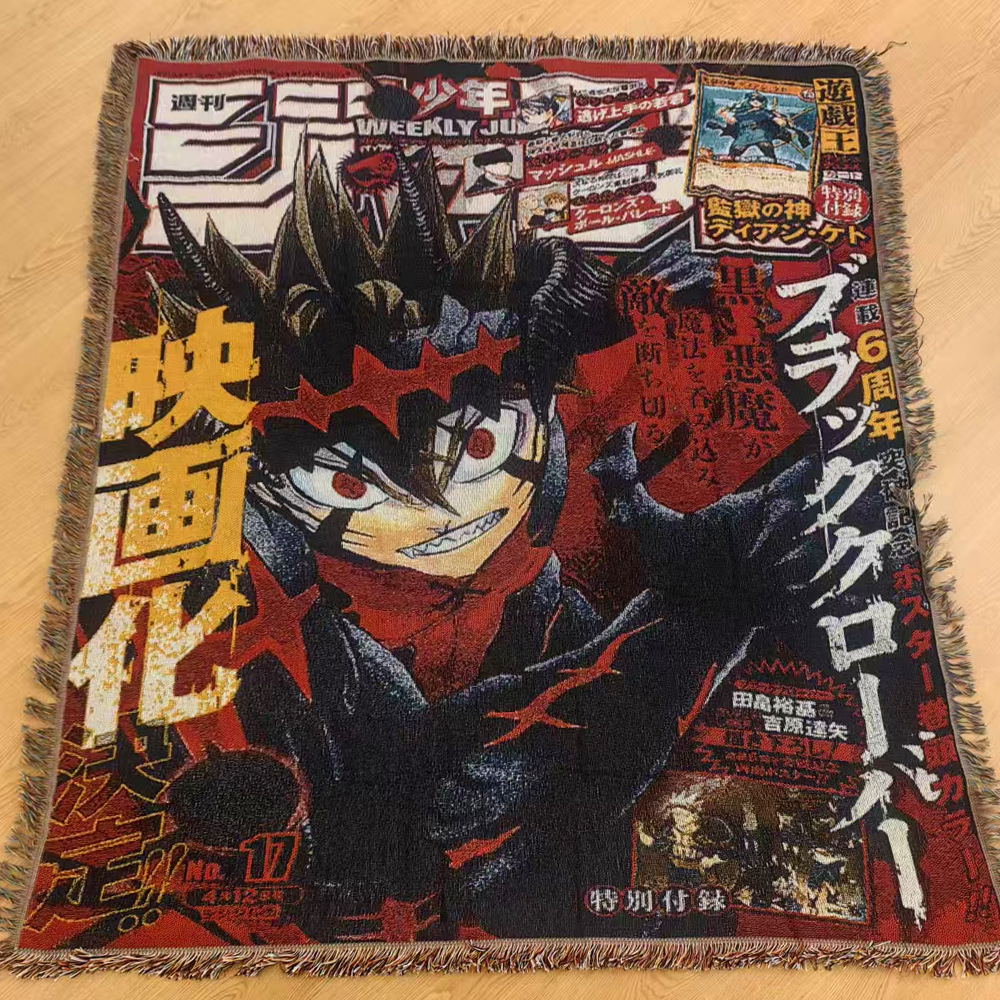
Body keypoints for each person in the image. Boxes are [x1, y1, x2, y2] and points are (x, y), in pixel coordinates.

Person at [154, 143, 824, 942]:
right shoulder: (295, 639)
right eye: (350, 487)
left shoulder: (562, 584)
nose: (438, 513)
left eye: (476, 449)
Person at [705, 90, 813, 165]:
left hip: (761, 135)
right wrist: (724, 113)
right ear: (749, 101)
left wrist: (783, 122)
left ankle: (772, 162)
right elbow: (731, 120)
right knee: (734, 153)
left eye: (759, 100)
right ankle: (720, 158)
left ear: (762, 102)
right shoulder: (743, 114)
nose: (756, 102)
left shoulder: (765, 113)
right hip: (744, 136)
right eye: (753, 100)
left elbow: (779, 121)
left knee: (768, 153)